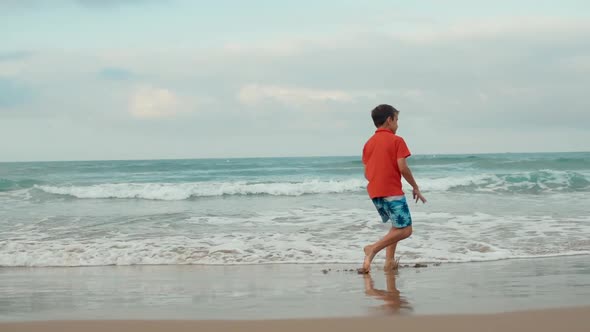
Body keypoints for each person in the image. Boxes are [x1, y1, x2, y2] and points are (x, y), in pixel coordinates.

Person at [358, 104, 426, 274]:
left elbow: (367, 172)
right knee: (406, 230)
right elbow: (402, 167)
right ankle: (372, 248)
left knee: (396, 226)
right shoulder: (397, 140)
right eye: (397, 120)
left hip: (375, 192)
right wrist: (415, 187)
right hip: (392, 191)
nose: (398, 124)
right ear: (389, 120)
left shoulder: (368, 143)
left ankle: (389, 262)